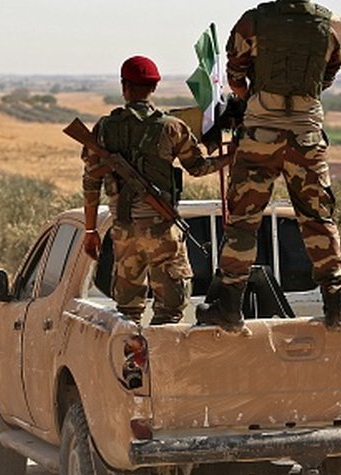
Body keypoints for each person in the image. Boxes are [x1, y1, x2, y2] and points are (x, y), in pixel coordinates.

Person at [196, 0, 341, 332]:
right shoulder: (333, 25)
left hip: (259, 136)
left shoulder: (254, 21)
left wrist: (252, 99)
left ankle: (229, 306)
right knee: (317, 217)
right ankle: (336, 304)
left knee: (243, 222)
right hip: (306, 136)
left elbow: (235, 73)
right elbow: (329, 74)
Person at [82, 56, 232, 325]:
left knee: (127, 314)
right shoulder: (171, 127)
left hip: (123, 232)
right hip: (162, 231)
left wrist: (91, 230)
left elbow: (91, 180)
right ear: (153, 88)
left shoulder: (105, 128)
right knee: (170, 312)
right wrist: (230, 156)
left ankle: (131, 363)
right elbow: (198, 168)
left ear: (124, 87)